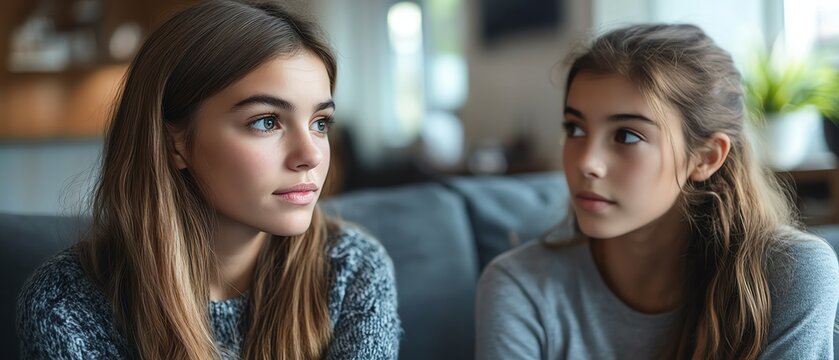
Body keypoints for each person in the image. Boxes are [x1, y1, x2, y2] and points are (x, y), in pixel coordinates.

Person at [16, 1, 400, 359]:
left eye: (320, 123)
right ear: (174, 143)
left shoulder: (351, 269)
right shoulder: (67, 303)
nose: (312, 155)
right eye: (266, 121)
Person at [475, 24, 839, 359]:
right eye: (575, 129)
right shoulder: (519, 286)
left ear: (706, 157)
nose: (587, 161)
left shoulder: (791, 273)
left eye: (627, 135)